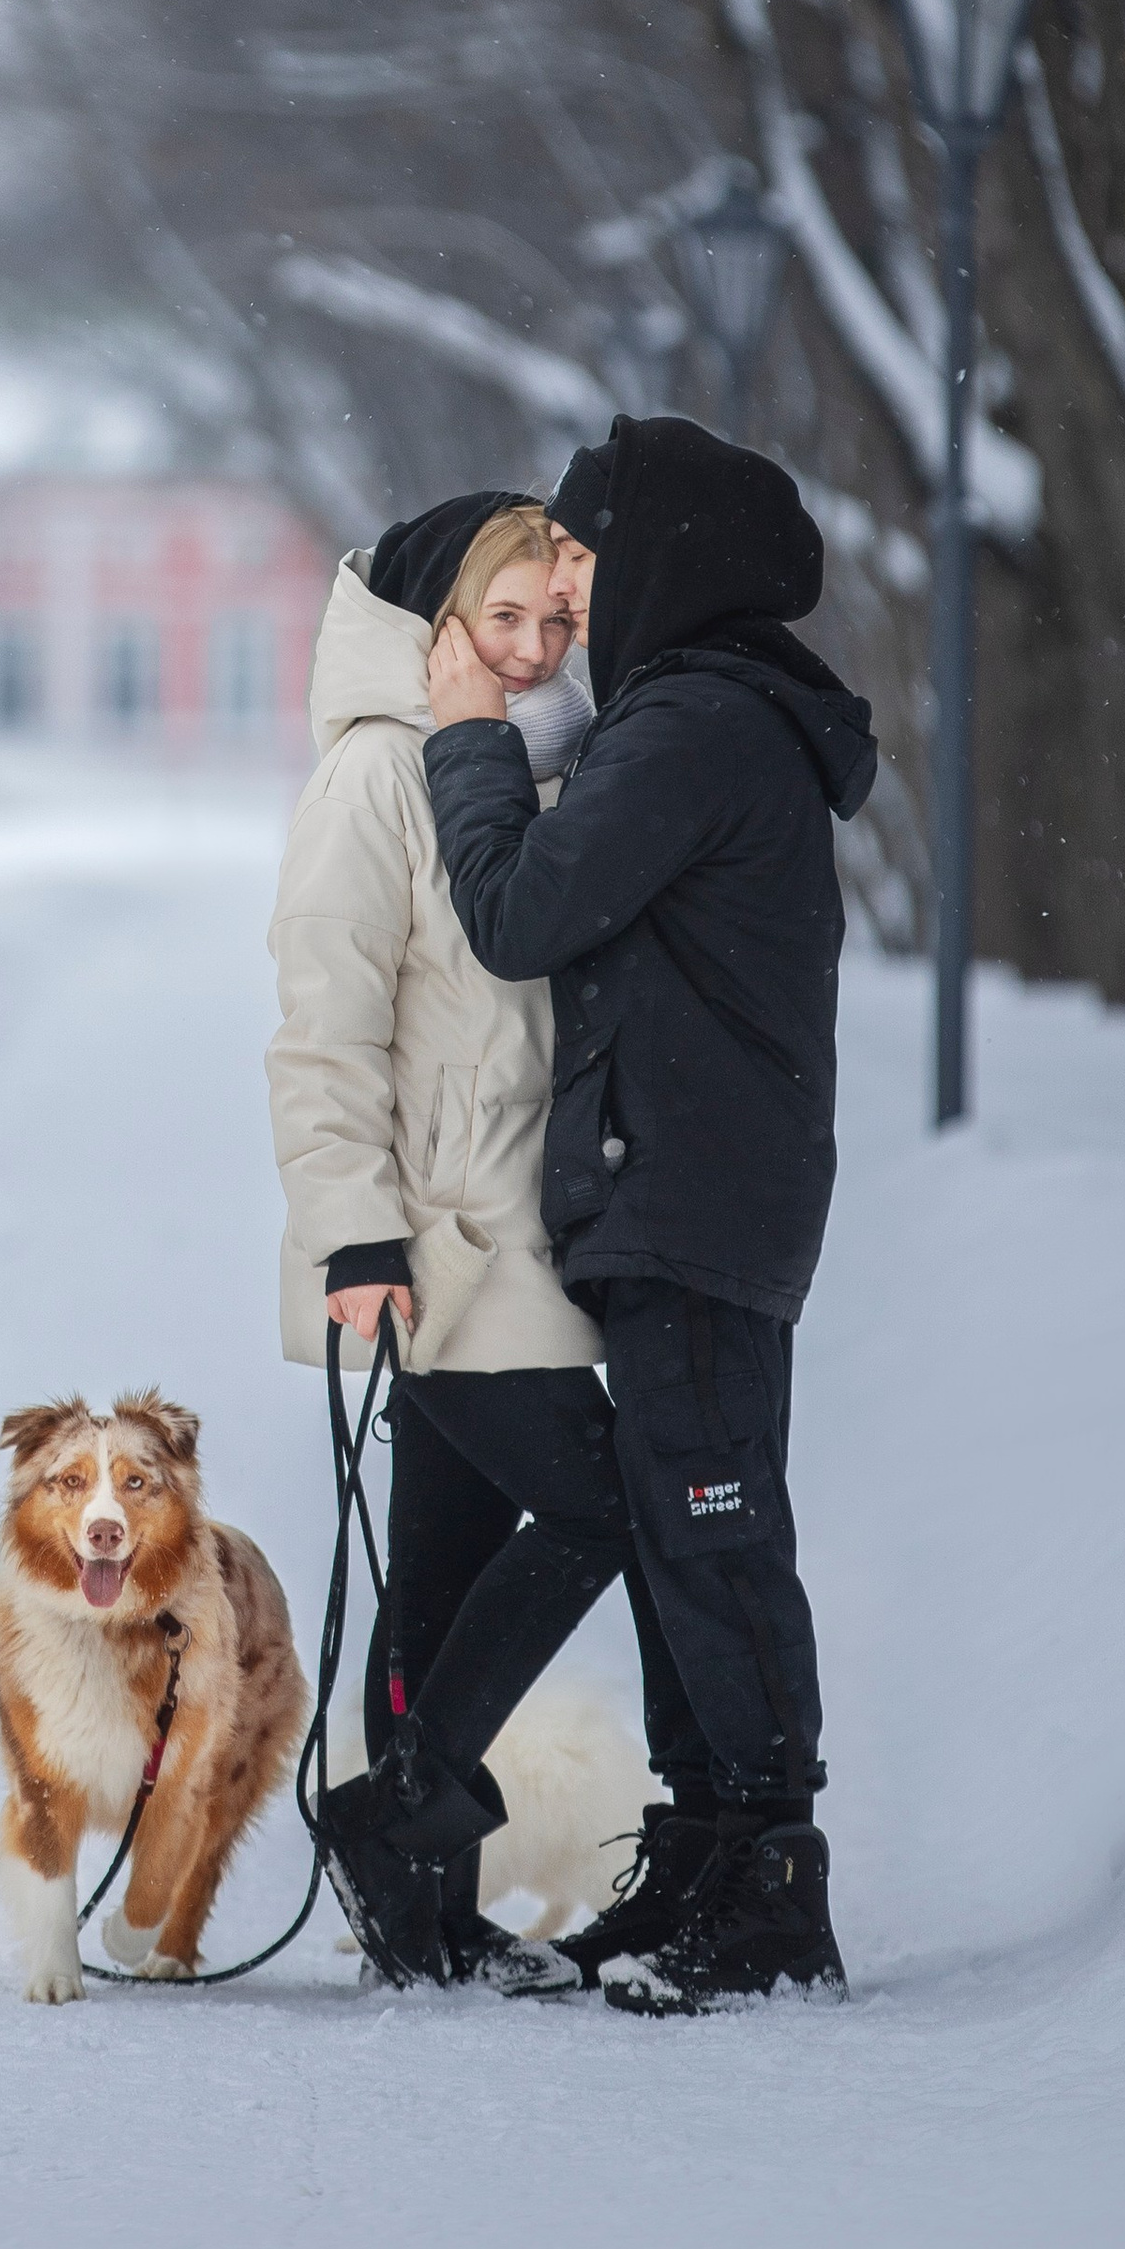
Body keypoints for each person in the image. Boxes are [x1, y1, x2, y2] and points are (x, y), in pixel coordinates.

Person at [422, 413, 878, 2015]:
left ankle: (766, 1885)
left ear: (663, 561)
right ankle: (703, 1854)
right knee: (699, 1536)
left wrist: (470, 737)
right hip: (686, 1186)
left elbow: (520, 914)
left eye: (587, 555)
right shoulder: (708, 717)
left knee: (714, 1531)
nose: (566, 581)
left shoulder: (694, 725)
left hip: (689, 1191)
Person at [268, 491, 685, 1991]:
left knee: (438, 1567)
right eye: (495, 622)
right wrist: (353, 1238)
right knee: (610, 1506)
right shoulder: (376, 777)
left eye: (551, 623)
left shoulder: (542, 774)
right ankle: (398, 1819)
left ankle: (425, 1915)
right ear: (431, 625)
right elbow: (324, 1035)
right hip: (434, 1249)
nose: (525, 650)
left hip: (529, 1238)